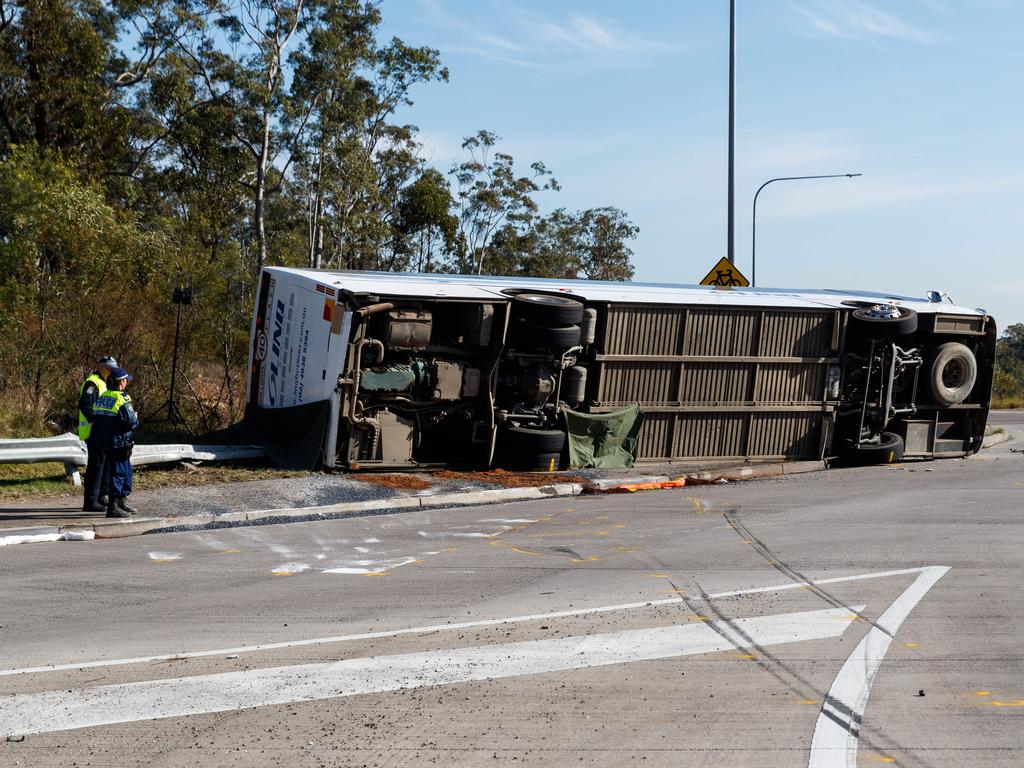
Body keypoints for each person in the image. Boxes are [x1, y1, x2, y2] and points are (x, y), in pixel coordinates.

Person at [92, 367, 140, 518]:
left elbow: (96, 417)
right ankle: (113, 507)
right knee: (119, 473)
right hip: (119, 442)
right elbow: (130, 422)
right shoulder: (123, 398)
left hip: (103, 441)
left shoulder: (103, 396)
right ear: (121, 382)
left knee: (125, 472)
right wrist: (137, 420)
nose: (127, 383)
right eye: (126, 380)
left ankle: (120, 502)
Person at [78, 355, 118, 512]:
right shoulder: (92, 383)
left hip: (101, 431)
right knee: (96, 466)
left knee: (104, 464)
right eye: (109, 367)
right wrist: (99, 420)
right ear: (101, 367)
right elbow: (85, 405)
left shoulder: (103, 382)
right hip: (93, 430)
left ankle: (101, 496)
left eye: (112, 368)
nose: (111, 371)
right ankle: (90, 501)